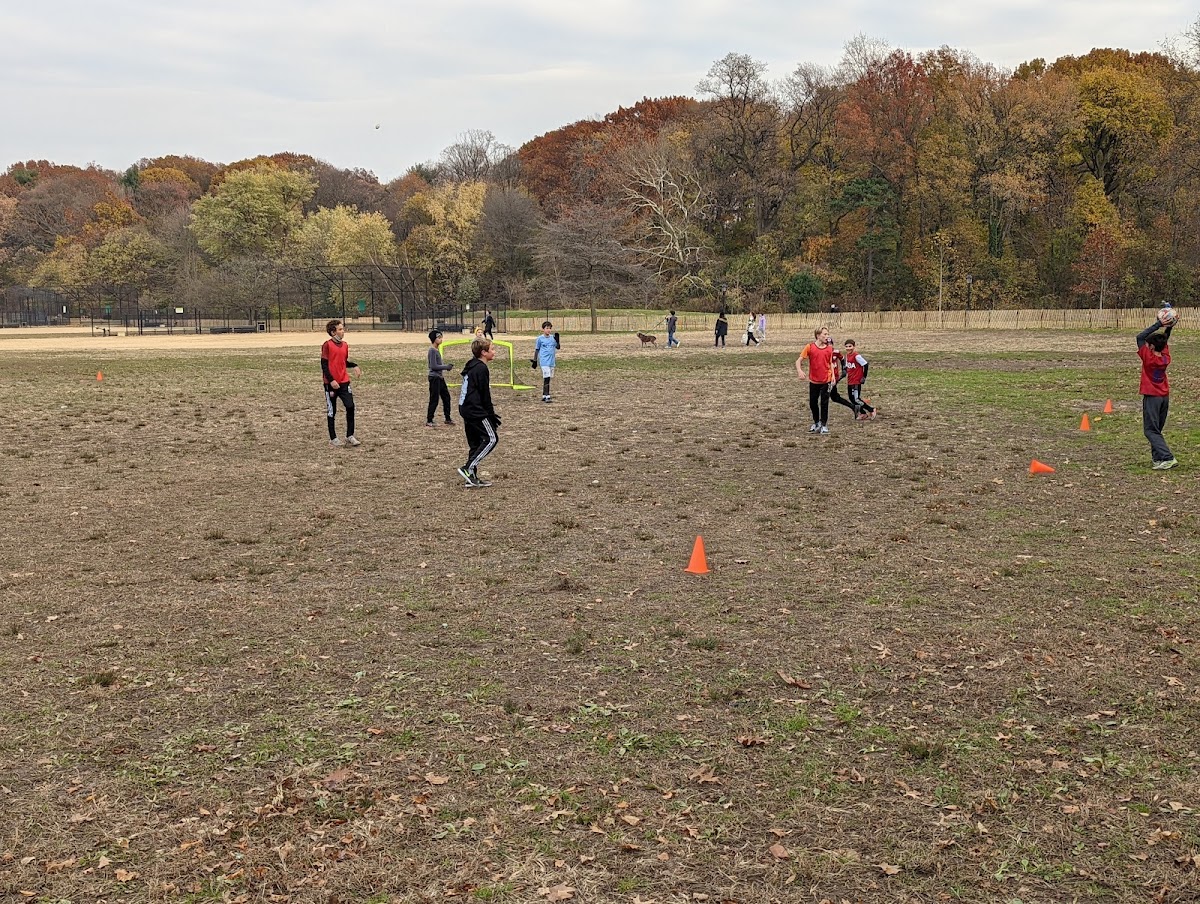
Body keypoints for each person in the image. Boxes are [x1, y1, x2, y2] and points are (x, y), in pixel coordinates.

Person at [457, 337, 500, 487]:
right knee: (491, 438)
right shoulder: (481, 368)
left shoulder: (472, 365)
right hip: (474, 409)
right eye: (492, 349)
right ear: (483, 352)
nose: (494, 352)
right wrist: (490, 415)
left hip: (465, 407)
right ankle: (468, 468)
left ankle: (471, 477)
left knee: (475, 443)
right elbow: (484, 395)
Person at [1137, 313, 1176, 470]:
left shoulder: (1149, 358)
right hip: (1164, 397)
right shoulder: (1165, 357)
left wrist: (1159, 323)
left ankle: (1168, 457)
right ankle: (1158, 459)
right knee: (1156, 430)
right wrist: (1169, 326)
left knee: (1150, 431)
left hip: (1152, 398)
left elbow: (1140, 337)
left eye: (1148, 345)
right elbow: (1163, 339)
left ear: (1151, 347)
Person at [321, 319, 362, 447]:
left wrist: (354, 365)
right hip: (331, 384)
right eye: (340, 329)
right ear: (333, 332)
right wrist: (331, 380)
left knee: (350, 406)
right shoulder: (327, 345)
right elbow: (324, 365)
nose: (343, 331)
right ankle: (333, 438)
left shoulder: (345, 345)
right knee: (331, 411)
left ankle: (350, 435)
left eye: (342, 329)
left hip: (344, 382)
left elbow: (343, 362)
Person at [796, 326, 835, 434]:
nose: (827, 336)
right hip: (813, 381)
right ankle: (816, 422)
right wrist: (800, 371)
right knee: (813, 403)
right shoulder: (809, 347)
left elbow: (830, 363)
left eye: (828, 334)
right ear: (818, 335)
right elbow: (798, 361)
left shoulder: (829, 349)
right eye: (825, 334)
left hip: (825, 381)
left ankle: (824, 425)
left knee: (824, 403)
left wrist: (833, 376)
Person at [425, 329, 455, 427]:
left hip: (439, 378)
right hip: (434, 378)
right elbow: (433, 366)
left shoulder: (436, 350)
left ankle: (447, 418)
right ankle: (429, 420)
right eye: (439, 337)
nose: (441, 339)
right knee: (434, 399)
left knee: (446, 397)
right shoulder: (432, 351)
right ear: (434, 339)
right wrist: (446, 367)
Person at [843, 339, 876, 420]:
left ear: (854, 347)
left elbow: (866, 364)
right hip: (850, 380)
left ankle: (871, 410)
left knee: (856, 399)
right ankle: (863, 413)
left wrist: (863, 377)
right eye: (846, 346)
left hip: (856, 381)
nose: (848, 348)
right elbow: (848, 366)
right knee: (852, 399)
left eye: (850, 346)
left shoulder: (857, 356)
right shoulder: (847, 356)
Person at [534, 320, 559, 402]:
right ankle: (547, 396)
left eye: (549, 328)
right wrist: (535, 360)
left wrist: (558, 341)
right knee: (547, 377)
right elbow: (537, 350)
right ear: (543, 329)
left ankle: (544, 395)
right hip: (544, 361)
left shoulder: (552, 338)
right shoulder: (540, 339)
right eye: (546, 328)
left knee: (548, 378)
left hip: (551, 362)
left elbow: (558, 347)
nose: (548, 330)